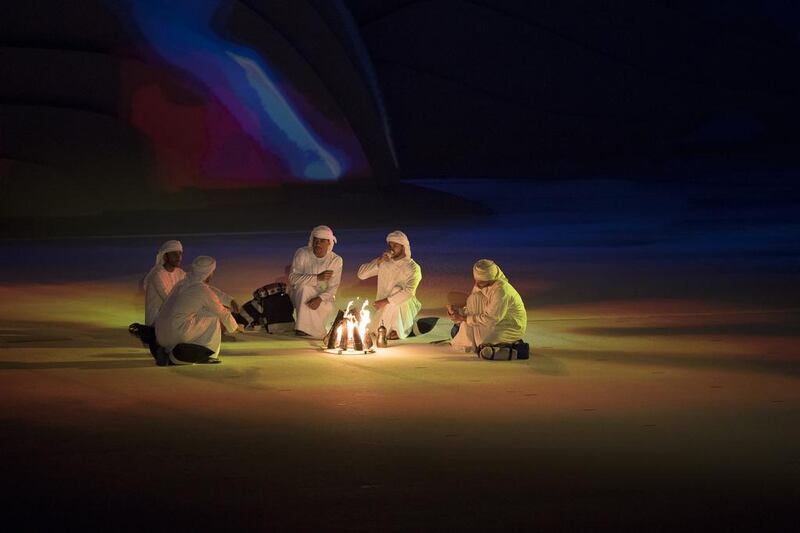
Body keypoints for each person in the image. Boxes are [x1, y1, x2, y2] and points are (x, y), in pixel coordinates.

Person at [154, 256, 241, 365]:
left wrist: (230, 300)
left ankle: (170, 351)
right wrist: (235, 327)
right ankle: (208, 354)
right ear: (209, 272)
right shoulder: (201, 289)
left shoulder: (183, 283)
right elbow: (222, 311)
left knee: (201, 312)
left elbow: (211, 291)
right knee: (213, 316)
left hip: (161, 334)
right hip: (176, 332)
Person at [449, 259, 526, 353]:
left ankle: (505, 346)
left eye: (481, 281)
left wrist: (463, 318)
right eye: (476, 280)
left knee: (480, 341)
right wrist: (458, 313)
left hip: (508, 326)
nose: (476, 284)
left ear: (490, 278)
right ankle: (471, 339)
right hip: (489, 324)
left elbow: (491, 318)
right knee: (474, 299)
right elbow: (474, 308)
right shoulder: (482, 285)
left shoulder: (502, 291)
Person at [357, 230, 422, 340]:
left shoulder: (413, 267)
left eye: (395, 245)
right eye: (390, 245)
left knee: (397, 290)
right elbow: (361, 275)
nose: (392, 248)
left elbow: (408, 292)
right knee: (378, 330)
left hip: (404, 308)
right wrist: (378, 261)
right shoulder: (385, 262)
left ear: (403, 246)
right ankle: (386, 329)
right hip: (382, 307)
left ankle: (398, 329)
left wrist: (386, 301)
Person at [288, 225, 343, 338]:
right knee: (304, 288)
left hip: (324, 298)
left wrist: (319, 298)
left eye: (322, 241)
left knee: (321, 303)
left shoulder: (336, 260)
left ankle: (309, 330)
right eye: (315, 240)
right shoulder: (302, 253)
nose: (317, 244)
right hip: (300, 295)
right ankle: (304, 329)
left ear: (329, 242)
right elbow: (293, 279)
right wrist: (317, 277)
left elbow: (333, 287)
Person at [143, 240, 186, 326]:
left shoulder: (181, 273)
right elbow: (169, 299)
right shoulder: (157, 275)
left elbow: (191, 289)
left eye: (180, 254)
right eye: (174, 254)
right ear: (165, 257)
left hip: (173, 317)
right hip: (156, 322)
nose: (178, 257)